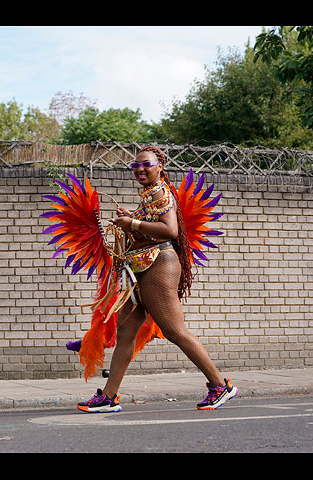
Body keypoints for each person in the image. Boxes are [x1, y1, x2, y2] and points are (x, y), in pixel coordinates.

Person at [76, 146, 238, 413]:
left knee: (175, 331)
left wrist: (134, 225)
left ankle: (221, 386)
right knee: (126, 332)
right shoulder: (150, 193)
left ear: (159, 166)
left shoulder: (160, 191)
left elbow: (169, 230)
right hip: (140, 267)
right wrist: (132, 218)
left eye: (146, 165)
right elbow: (152, 224)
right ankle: (109, 397)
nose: (140, 169)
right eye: (135, 166)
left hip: (159, 265)